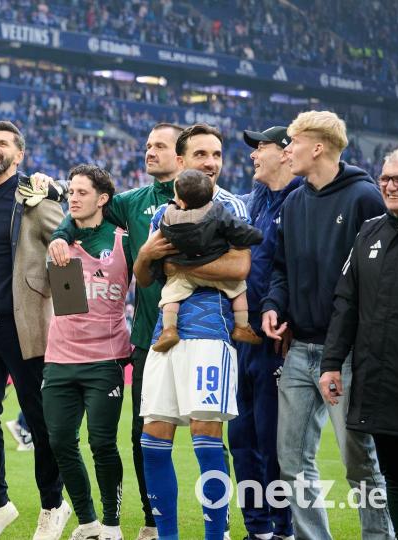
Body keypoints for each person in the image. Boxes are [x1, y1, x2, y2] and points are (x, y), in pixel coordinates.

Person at [50, 123, 186, 540]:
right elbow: (80, 212)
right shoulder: (130, 203)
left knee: (208, 433)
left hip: (183, 332)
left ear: (180, 155)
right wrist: (60, 234)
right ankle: (129, 521)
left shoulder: (202, 199)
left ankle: (219, 524)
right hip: (138, 340)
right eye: (147, 145)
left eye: (159, 146)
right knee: (136, 436)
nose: (149, 152)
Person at [262, 110, 393, 540]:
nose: (287, 150)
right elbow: (281, 267)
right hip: (299, 349)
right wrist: (273, 305)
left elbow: (375, 280)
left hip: (349, 353)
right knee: (292, 460)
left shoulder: (365, 198)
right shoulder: (294, 202)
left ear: (317, 147)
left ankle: (380, 537)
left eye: (294, 142)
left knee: (359, 461)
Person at [133, 124, 253, 540]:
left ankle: (215, 536)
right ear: (181, 161)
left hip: (209, 334)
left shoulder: (230, 206)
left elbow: (239, 267)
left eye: (217, 154)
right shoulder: (164, 212)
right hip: (164, 335)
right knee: (152, 438)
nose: (211, 162)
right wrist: (146, 254)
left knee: (206, 435)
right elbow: (145, 276)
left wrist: (178, 265)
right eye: (202, 154)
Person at [0, 120, 68, 540]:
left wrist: (72, 314)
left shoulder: (35, 197)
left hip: (24, 324)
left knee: (40, 421)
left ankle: (53, 506)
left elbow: (65, 246)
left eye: (3, 143)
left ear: (19, 154)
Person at [320, 147, 398, 540]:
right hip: (380, 381)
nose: (390, 186)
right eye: (385, 178)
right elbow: (347, 302)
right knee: (395, 476)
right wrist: (331, 363)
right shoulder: (370, 232)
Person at [45, 165, 132, 540]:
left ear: (103, 198)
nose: (74, 199)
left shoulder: (123, 239)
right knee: (60, 442)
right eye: (71, 193)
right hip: (60, 357)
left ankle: (112, 524)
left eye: (82, 192)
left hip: (105, 359)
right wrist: (60, 234)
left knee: (102, 443)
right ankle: (87, 521)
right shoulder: (59, 242)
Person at [230, 126, 300, 540]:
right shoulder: (254, 200)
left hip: (277, 336)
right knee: (241, 437)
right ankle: (257, 529)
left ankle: (283, 527)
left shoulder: (301, 201)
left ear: (286, 153)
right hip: (243, 333)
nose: (254, 155)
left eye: (261, 148)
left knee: (274, 441)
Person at [151, 169, 263, 352]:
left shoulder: (169, 215)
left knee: (170, 296)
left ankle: (169, 330)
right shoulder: (217, 211)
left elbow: (162, 239)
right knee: (239, 289)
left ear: (181, 200)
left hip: (183, 269)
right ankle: (242, 326)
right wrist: (255, 236)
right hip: (214, 266)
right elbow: (237, 230)